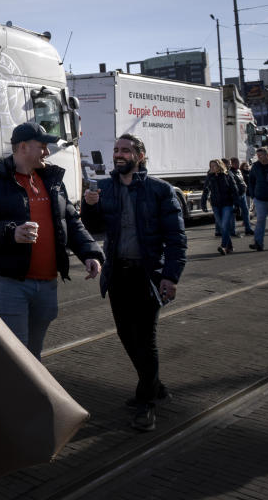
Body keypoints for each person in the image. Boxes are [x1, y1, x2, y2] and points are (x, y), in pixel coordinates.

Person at [0, 122, 104, 360]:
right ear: (22, 147)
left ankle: (28, 394)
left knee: (33, 352)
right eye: (42, 147)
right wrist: (11, 232)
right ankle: (16, 396)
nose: (47, 153)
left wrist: (90, 253)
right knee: (16, 355)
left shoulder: (52, 181)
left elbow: (71, 221)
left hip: (47, 283)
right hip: (12, 283)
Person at [82, 133, 187, 433]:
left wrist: (171, 276)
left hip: (148, 275)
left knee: (145, 338)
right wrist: (89, 206)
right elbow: (92, 228)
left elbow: (176, 239)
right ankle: (154, 384)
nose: (119, 155)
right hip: (118, 275)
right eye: (116, 150)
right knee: (126, 335)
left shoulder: (160, 191)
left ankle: (146, 403)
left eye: (126, 150)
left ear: (140, 156)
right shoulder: (104, 188)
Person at [201, 159, 239, 255]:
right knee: (222, 227)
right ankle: (230, 247)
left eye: (214, 166)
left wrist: (236, 205)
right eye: (211, 166)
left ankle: (223, 247)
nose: (212, 168)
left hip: (227, 204)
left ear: (220, 166)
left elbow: (235, 190)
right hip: (215, 205)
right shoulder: (210, 177)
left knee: (225, 225)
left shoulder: (227, 175)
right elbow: (205, 190)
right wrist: (203, 203)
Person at [229, 157, 253, 236]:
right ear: (231, 163)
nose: (237, 164)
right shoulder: (230, 172)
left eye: (237, 162)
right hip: (235, 195)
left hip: (243, 194)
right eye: (235, 162)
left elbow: (242, 181)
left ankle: (248, 229)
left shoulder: (238, 171)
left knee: (245, 212)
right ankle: (233, 231)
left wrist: (245, 186)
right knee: (234, 213)